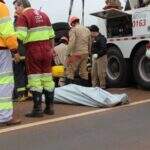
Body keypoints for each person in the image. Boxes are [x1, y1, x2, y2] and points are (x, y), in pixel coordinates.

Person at [13, 0, 55, 117]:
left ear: (22, 5)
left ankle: (37, 110)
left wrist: (11, 36)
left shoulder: (23, 16)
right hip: (47, 49)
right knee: (47, 77)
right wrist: (51, 49)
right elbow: (52, 35)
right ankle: (49, 107)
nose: (16, 11)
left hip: (33, 49)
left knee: (35, 78)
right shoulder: (44, 15)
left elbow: (21, 36)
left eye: (16, 8)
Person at [0, 0, 21, 125]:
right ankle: (5, 116)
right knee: (5, 83)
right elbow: (7, 32)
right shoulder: (1, 7)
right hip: (1, 51)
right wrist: (15, 50)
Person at [65, 16, 91, 86]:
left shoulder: (73, 30)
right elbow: (89, 43)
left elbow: (71, 42)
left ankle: (69, 88)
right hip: (85, 53)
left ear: (73, 23)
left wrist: (68, 54)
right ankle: (85, 88)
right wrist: (89, 52)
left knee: (70, 71)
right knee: (83, 72)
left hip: (76, 53)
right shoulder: (87, 30)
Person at [13, 12, 28, 102]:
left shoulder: (15, 25)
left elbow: (13, 38)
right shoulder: (25, 24)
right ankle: (27, 92)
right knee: (26, 73)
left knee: (18, 74)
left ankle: (20, 95)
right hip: (26, 53)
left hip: (18, 54)